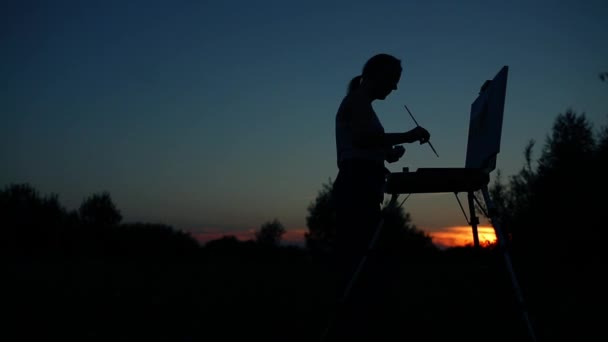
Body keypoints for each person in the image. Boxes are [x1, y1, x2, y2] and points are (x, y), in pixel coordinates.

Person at [326, 53, 431, 341]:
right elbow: (361, 140)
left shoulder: (363, 105)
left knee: (360, 260)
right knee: (358, 261)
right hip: (356, 186)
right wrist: (406, 137)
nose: (395, 88)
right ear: (375, 75)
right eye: (392, 81)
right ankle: (349, 325)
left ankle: (354, 321)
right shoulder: (357, 101)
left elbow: (361, 145)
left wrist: (386, 155)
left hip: (362, 184)